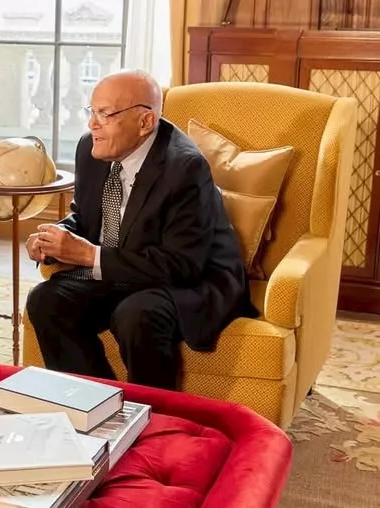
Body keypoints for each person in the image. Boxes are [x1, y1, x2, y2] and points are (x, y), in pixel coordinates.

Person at [24, 70, 256, 390]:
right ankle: (94, 400)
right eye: (92, 112)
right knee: (46, 300)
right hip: (124, 266)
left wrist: (89, 255)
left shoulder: (185, 167)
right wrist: (55, 237)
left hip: (190, 278)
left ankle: (152, 412)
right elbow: (87, 217)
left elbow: (182, 265)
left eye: (105, 114)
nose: (92, 124)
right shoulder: (91, 148)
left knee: (136, 315)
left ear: (145, 122)